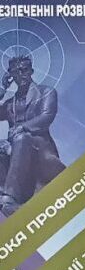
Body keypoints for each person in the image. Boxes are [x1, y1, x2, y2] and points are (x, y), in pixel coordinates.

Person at [0, 55, 65, 217]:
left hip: (40, 148)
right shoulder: (10, 103)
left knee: (21, 138)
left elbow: (46, 117)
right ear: (11, 76)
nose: (21, 74)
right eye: (16, 72)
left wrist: (22, 127)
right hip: (16, 149)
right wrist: (2, 88)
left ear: (31, 71)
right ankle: (3, 194)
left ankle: (10, 199)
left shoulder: (46, 92)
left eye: (24, 70)